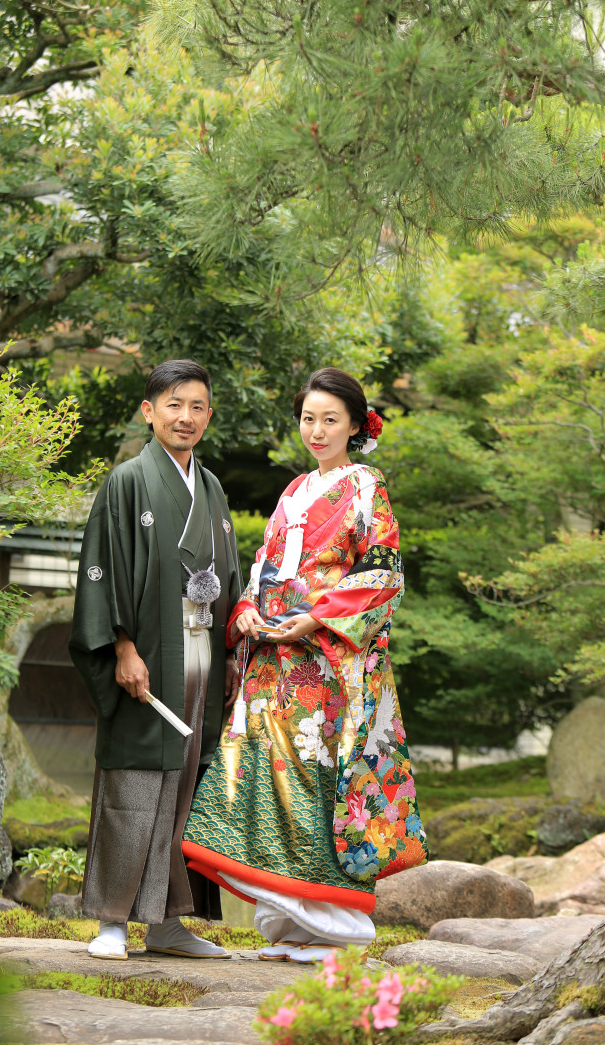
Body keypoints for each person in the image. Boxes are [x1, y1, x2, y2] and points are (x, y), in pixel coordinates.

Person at [182, 367, 428, 963]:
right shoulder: (294, 490)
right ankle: (290, 926)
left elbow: (383, 573)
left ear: (354, 426)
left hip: (326, 665)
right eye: (308, 418)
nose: (315, 431)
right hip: (274, 660)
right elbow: (267, 565)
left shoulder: (367, 487)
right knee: (268, 781)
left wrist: (315, 619)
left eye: (329, 420)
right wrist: (243, 610)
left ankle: (336, 929)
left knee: (319, 784)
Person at [69, 359, 243, 960]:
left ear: (208, 416)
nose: (185, 417)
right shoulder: (128, 481)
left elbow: (231, 579)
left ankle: (169, 923)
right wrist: (122, 647)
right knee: (135, 783)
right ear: (149, 411)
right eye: (173, 404)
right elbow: (103, 568)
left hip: (202, 657)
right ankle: (112, 921)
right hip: (147, 657)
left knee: (187, 786)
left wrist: (237, 645)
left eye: (197, 406)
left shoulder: (213, 488)